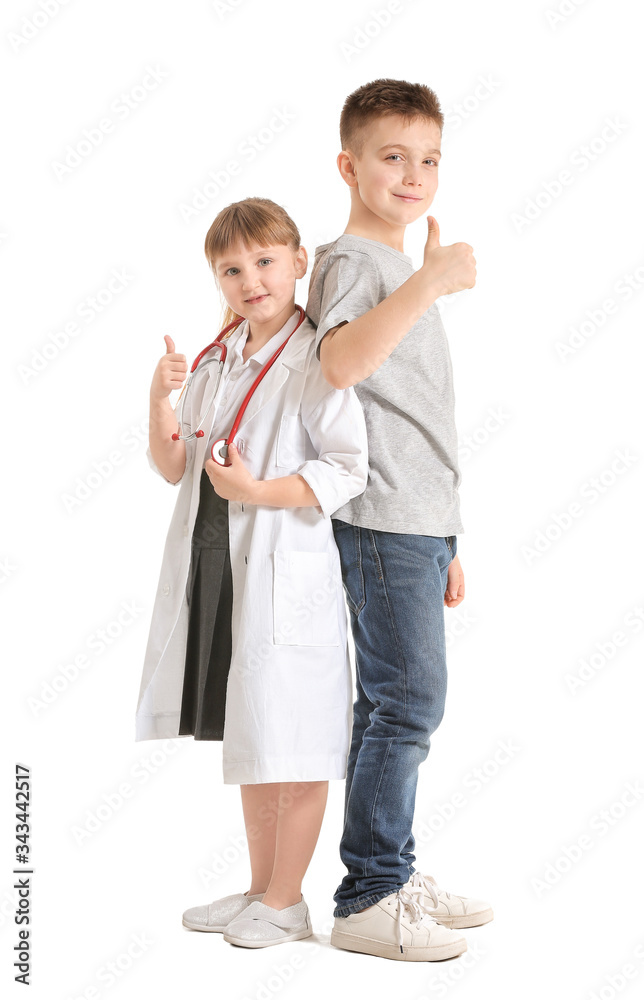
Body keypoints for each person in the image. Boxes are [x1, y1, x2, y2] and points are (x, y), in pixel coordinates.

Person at [135, 197, 368, 949]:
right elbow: (176, 463)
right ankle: (260, 889)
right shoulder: (219, 357)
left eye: (265, 261)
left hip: (284, 573)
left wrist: (258, 493)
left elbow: (348, 468)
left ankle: (289, 898)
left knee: (293, 739)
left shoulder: (317, 359)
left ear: (300, 262)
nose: (249, 279)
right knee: (256, 738)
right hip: (223, 573)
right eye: (231, 268)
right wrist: (157, 397)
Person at [305, 78, 493, 962]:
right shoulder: (352, 259)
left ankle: (391, 866)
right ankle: (369, 894)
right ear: (349, 165)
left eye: (428, 159)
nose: (414, 174)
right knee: (408, 700)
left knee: (395, 698)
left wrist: (448, 533)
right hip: (382, 516)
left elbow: (418, 410)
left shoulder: (389, 269)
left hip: (417, 520)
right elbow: (340, 363)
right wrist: (428, 282)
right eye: (392, 156)